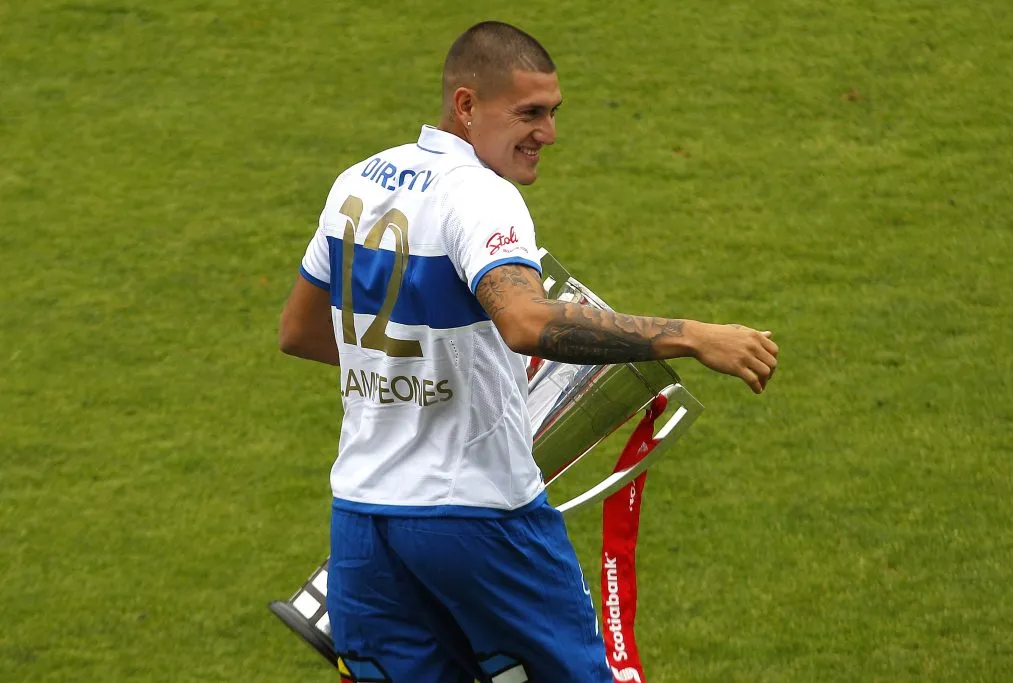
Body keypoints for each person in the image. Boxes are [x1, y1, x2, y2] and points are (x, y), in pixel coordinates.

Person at [278, 20, 778, 683]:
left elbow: (302, 331)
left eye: (552, 112)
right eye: (530, 113)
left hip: (363, 521)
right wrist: (692, 335)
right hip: (477, 517)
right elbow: (523, 322)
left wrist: (416, 363)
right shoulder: (481, 195)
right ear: (466, 106)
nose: (549, 133)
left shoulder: (357, 184)